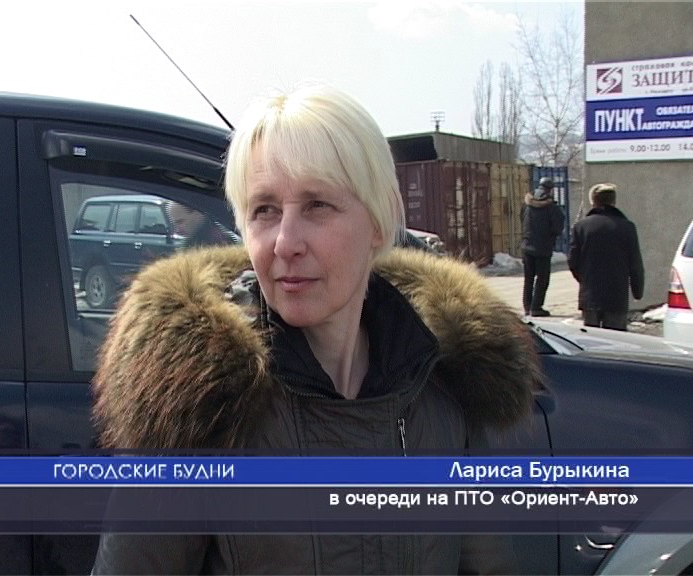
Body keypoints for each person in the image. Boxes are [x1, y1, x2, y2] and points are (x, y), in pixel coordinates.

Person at [91, 84, 543, 574]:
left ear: (378, 221)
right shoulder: (199, 403)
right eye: (264, 210)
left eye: (317, 205)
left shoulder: (441, 385)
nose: (285, 242)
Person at [568, 182, 644, 331]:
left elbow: (572, 261)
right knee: (615, 340)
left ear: (593, 202)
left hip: (590, 295)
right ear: (613, 202)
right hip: (617, 296)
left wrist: (585, 280)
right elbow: (635, 263)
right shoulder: (627, 227)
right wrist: (637, 291)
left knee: (591, 338)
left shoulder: (581, 227)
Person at [520, 176, 565, 317]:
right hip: (543, 248)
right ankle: (536, 307)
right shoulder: (552, 208)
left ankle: (527, 307)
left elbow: (522, 219)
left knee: (529, 278)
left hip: (527, 246)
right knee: (542, 279)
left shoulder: (527, 204)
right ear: (550, 190)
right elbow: (557, 228)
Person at [166, 201, 240, 247]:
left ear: (197, 214)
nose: (178, 230)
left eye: (180, 222)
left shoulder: (217, 240)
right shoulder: (194, 241)